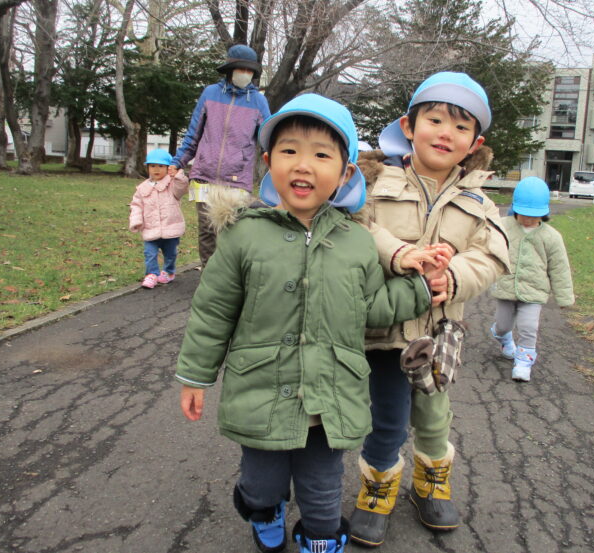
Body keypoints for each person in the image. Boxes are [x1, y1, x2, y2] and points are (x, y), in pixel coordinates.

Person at [175, 94, 446, 553]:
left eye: (322, 155)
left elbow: (372, 307)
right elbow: (213, 310)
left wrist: (420, 288)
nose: (303, 165)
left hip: (330, 396)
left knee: (322, 493)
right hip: (260, 392)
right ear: (268, 162)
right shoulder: (243, 235)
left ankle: (320, 538)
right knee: (261, 483)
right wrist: (195, 375)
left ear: (345, 173)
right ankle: (263, 508)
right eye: (289, 151)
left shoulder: (356, 241)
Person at [349, 72, 511, 547]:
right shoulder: (374, 181)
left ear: (474, 143)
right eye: (434, 120)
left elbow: (493, 254)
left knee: (434, 416)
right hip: (385, 331)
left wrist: (453, 276)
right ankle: (377, 488)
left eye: (460, 127)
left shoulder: (478, 199)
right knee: (387, 419)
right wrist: (398, 252)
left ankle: (431, 482)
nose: (445, 133)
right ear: (408, 126)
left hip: (440, 333)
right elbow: (354, 225)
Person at [170, 44, 271, 268]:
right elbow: (194, 132)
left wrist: (278, 163)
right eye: (241, 69)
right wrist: (179, 161)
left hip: (237, 178)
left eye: (249, 70)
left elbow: (268, 139)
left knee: (234, 232)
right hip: (204, 174)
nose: (245, 74)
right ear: (230, 70)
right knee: (207, 232)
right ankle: (208, 276)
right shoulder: (210, 94)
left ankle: (231, 278)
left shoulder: (258, 102)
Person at [489, 176, 575, 381]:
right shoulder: (502, 226)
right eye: (524, 214)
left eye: (534, 216)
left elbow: (560, 268)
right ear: (515, 208)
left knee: (528, 328)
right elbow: (487, 249)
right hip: (506, 288)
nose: (528, 220)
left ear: (544, 213)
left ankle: (523, 363)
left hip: (534, 292)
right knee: (502, 325)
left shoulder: (552, 237)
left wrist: (564, 297)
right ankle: (503, 338)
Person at [129, 148, 189, 289]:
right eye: (153, 166)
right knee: (149, 253)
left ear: (168, 168)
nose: (156, 169)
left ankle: (168, 272)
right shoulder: (142, 188)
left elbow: (182, 188)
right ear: (148, 168)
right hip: (151, 228)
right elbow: (136, 205)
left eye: (161, 166)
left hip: (170, 227)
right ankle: (152, 274)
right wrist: (136, 220)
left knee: (171, 254)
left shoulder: (172, 184)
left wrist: (178, 174)